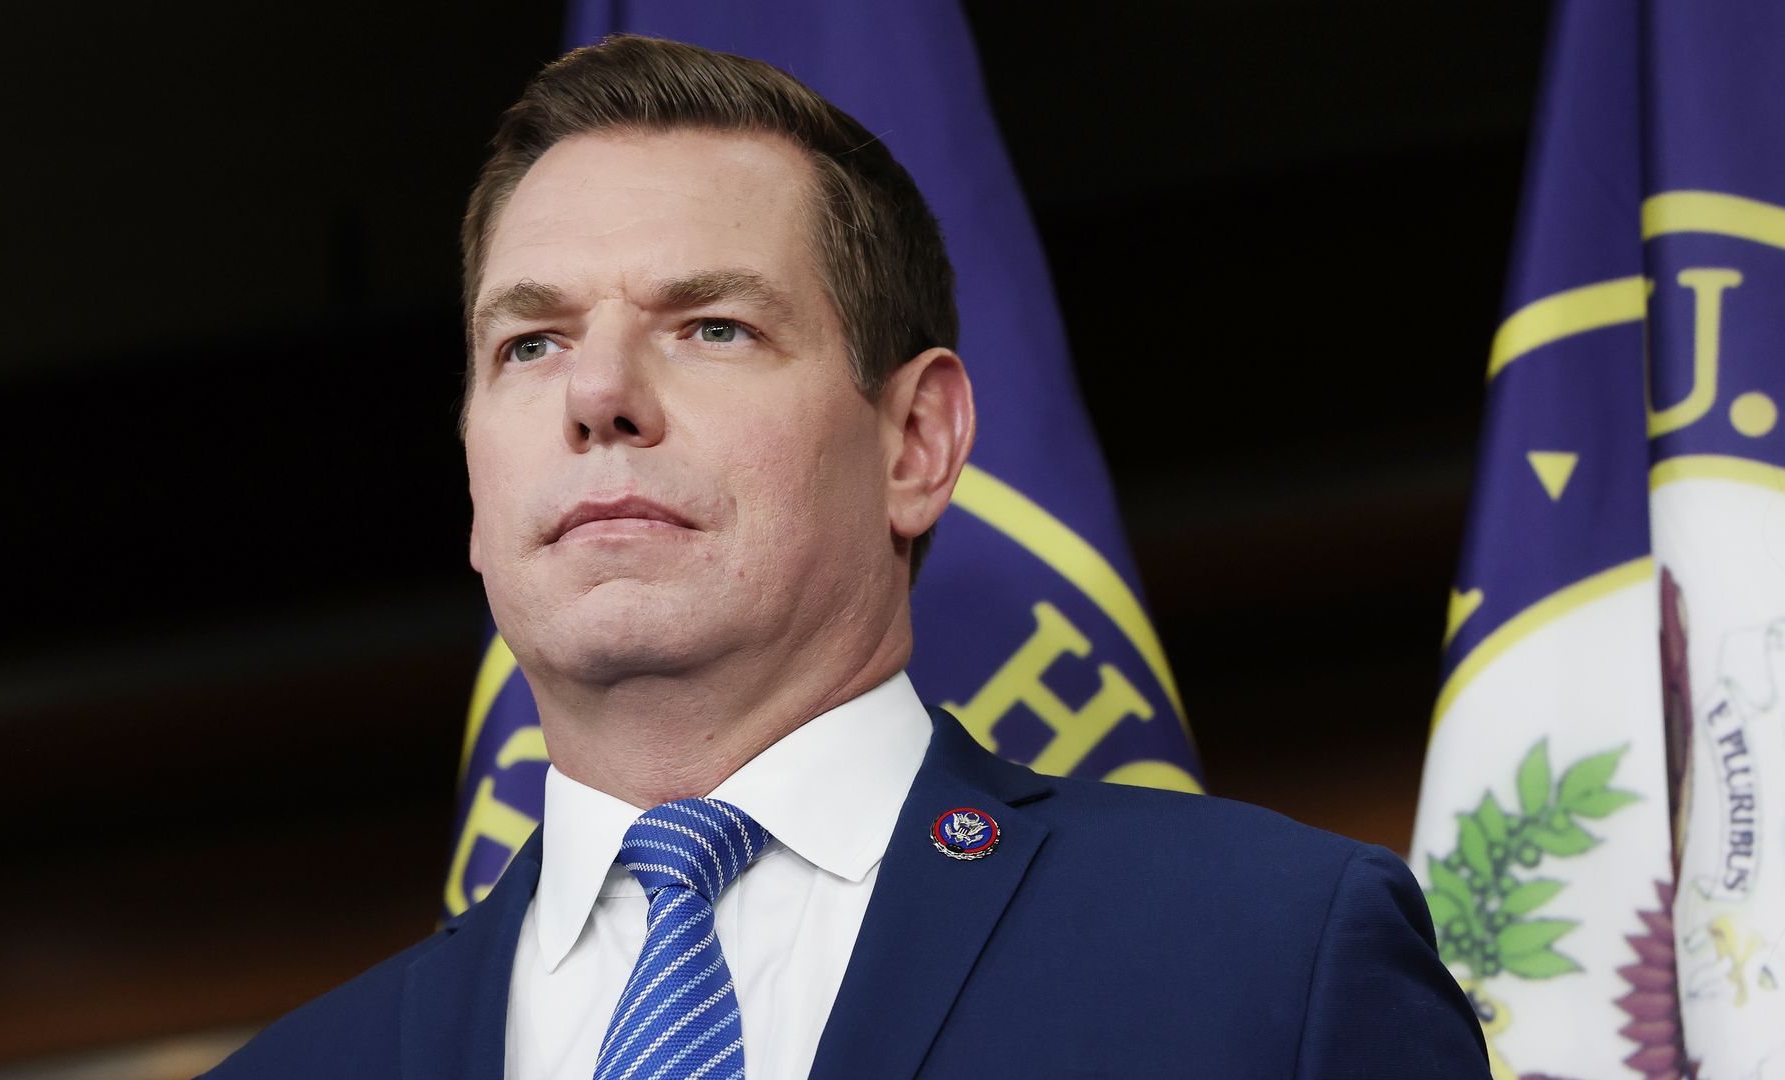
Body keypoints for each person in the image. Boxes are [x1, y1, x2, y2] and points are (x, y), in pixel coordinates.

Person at [206, 34, 1490, 1080]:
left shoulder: (1265, 964)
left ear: (916, 441)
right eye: (528, 345)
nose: (597, 393)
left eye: (709, 327)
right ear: (479, 485)